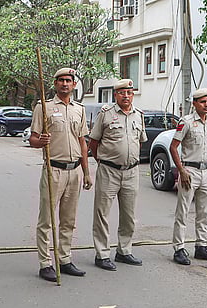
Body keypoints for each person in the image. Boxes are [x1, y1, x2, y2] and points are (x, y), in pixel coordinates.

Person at [30, 67, 92, 282]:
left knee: (68, 220)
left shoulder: (79, 110)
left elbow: (82, 142)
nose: (65, 84)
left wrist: (86, 172)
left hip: (74, 170)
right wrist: (41, 142)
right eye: (61, 80)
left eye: (69, 80)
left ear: (74, 84)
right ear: (55, 84)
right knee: (46, 219)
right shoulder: (44, 108)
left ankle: (64, 259)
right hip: (53, 169)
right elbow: (33, 139)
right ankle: (45, 263)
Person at [89, 79, 147, 271]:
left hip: (131, 171)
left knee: (129, 215)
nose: (126, 96)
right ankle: (102, 254)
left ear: (133, 94)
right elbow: (94, 143)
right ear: (116, 95)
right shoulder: (106, 115)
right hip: (109, 171)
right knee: (102, 213)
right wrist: (103, 161)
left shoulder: (139, 115)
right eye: (122, 92)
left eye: (129, 92)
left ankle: (124, 250)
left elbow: (140, 141)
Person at [170, 88, 207, 265]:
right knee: (183, 211)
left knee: (204, 211)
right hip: (190, 171)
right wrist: (181, 170)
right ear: (195, 104)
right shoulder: (187, 122)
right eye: (203, 102)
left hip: (206, 171)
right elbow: (173, 147)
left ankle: (201, 245)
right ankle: (179, 248)